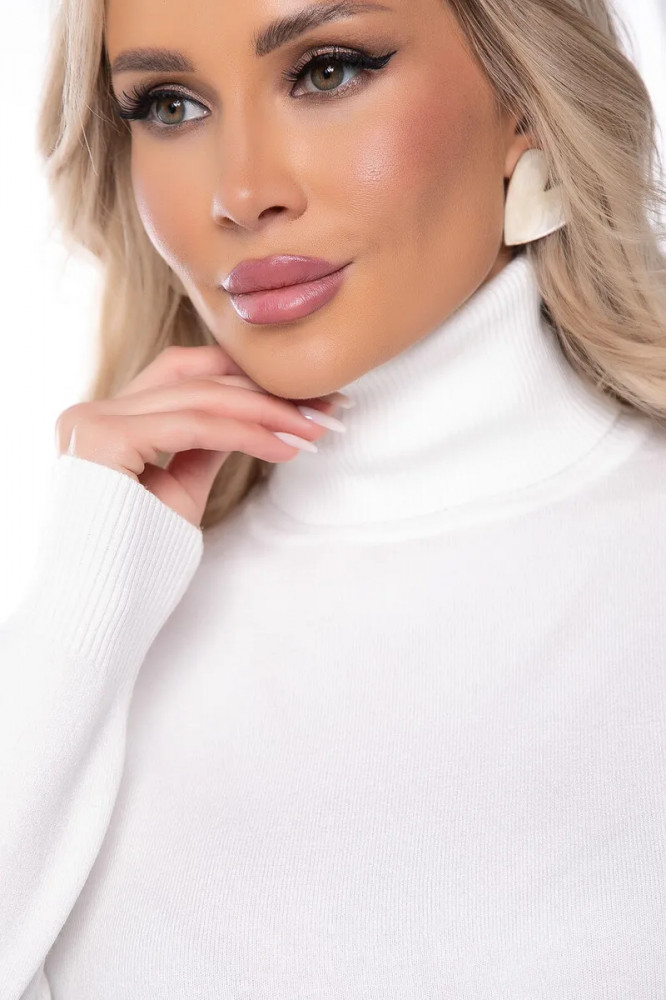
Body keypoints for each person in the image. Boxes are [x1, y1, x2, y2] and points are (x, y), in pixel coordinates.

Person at [2, 0, 665, 996]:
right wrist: (81, 605)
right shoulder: (103, 628)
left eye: (328, 71)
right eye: (170, 105)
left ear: (523, 99)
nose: (241, 193)